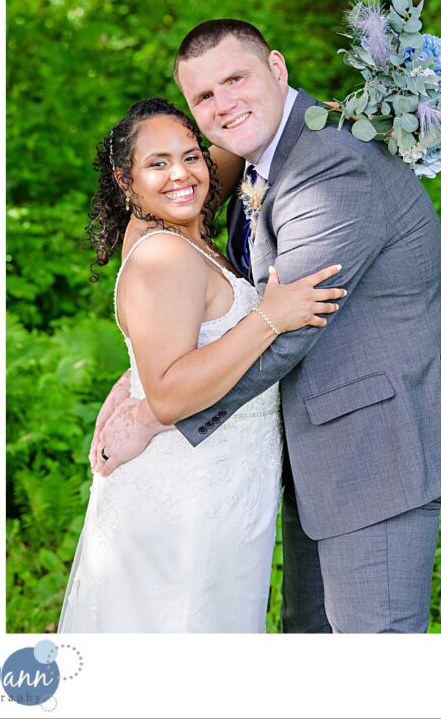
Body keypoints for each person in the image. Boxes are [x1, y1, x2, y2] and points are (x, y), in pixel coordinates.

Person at [93, 20, 441, 633]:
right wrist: (143, 373)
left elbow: (291, 324)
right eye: (205, 97)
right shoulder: (263, 157)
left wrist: (155, 410)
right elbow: (210, 285)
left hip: (373, 450)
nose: (224, 104)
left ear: (277, 68)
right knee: (307, 642)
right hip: (313, 454)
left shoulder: (328, 167)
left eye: (236, 79)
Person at [58, 98, 343, 633]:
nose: (181, 175)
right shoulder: (162, 255)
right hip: (189, 488)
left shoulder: (180, 222)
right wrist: (271, 318)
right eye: (157, 164)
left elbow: (230, 146)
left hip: (227, 479)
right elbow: (167, 395)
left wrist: (300, 108)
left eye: (189, 157)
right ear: (126, 180)